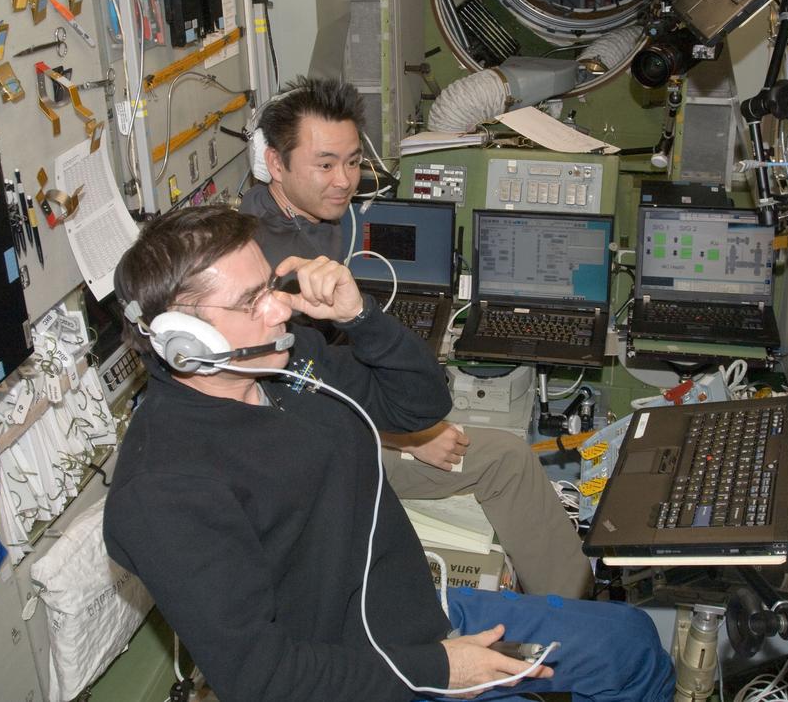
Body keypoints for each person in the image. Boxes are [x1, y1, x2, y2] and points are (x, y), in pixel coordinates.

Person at [104, 205, 674, 702]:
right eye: (251, 301)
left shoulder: (283, 363)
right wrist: (441, 668)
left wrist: (360, 316)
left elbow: (418, 407)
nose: (280, 309)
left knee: (632, 642)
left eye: (269, 288)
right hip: (357, 674)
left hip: (419, 615)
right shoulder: (165, 488)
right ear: (183, 339)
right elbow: (263, 679)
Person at [239, 77, 594, 599]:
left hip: (352, 404)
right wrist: (406, 437)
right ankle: (578, 620)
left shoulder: (303, 214)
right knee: (508, 458)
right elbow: (293, 391)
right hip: (324, 441)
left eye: (353, 161)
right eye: (325, 164)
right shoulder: (269, 262)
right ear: (276, 164)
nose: (345, 181)